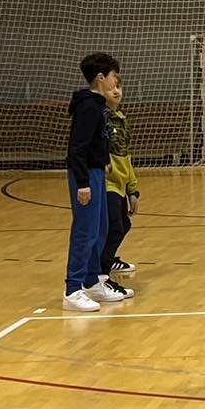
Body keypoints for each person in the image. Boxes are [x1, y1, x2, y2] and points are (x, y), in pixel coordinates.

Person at [63, 52, 129, 312]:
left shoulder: (99, 105)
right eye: (113, 76)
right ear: (101, 78)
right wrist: (83, 183)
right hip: (86, 175)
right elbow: (77, 148)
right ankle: (72, 289)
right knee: (85, 231)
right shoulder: (88, 107)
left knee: (101, 228)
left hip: (98, 172)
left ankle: (92, 282)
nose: (115, 81)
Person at [99, 81, 140, 286]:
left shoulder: (122, 119)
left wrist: (132, 190)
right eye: (111, 88)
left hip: (120, 184)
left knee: (124, 224)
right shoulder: (101, 118)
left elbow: (126, 155)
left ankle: (107, 260)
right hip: (106, 184)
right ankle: (101, 273)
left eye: (118, 87)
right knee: (114, 227)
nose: (116, 91)